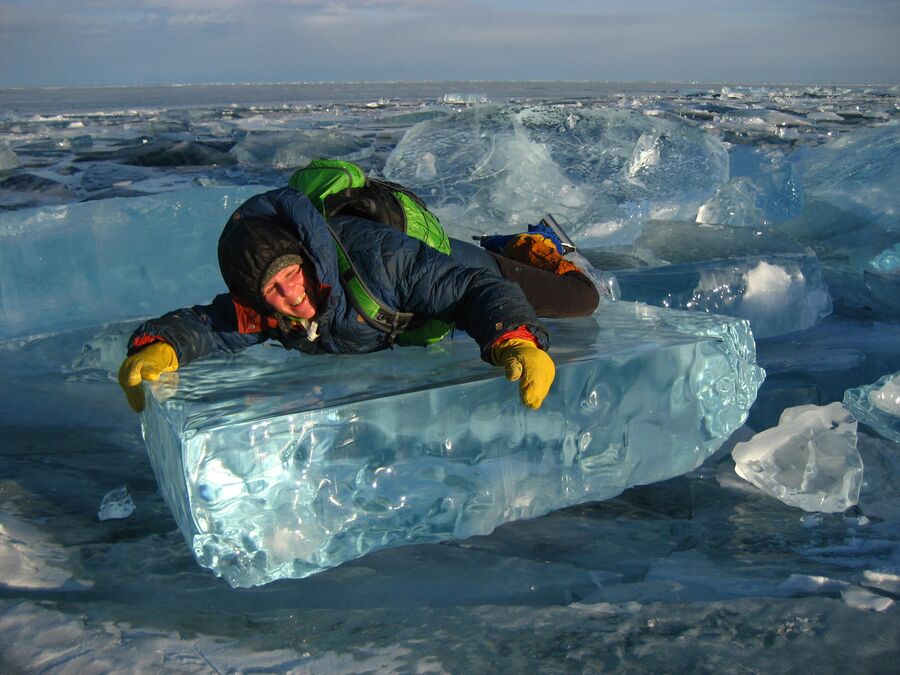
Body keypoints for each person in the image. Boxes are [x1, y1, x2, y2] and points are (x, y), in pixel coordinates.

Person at [118, 172, 599, 413]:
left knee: (580, 300)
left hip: (468, 270)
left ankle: (529, 246)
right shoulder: (273, 313)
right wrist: (161, 345)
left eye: (293, 275)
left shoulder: (379, 260)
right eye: (274, 291)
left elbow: (473, 289)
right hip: (410, 313)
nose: (292, 295)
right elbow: (212, 325)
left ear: (307, 259)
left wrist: (514, 338)